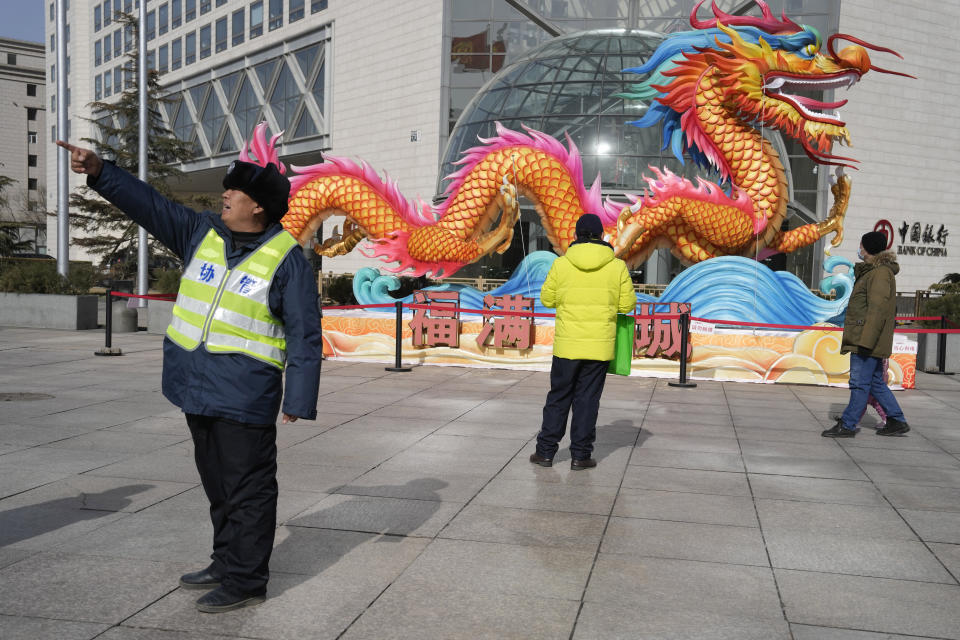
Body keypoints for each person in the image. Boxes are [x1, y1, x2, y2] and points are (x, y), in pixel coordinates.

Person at [57, 139, 324, 612]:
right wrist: (100, 171)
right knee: (217, 485)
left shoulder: (287, 260)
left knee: (248, 491)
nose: (225, 197)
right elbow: (151, 206)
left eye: (235, 192)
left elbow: (304, 334)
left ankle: (246, 581)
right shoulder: (202, 233)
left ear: (258, 207)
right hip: (195, 386)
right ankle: (225, 562)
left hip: (244, 395)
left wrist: (297, 400)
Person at [530, 213, 636, 469]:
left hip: (567, 346)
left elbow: (547, 299)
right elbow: (627, 304)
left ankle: (545, 452)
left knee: (558, 397)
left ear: (576, 236)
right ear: (601, 236)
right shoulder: (617, 266)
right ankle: (580, 455)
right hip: (599, 348)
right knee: (587, 400)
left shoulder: (561, 264)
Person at [822, 230, 909, 438]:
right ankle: (896, 420)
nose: (859, 249)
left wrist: (866, 341)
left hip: (866, 339)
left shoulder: (879, 273)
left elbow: (877, 310)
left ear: (869, 249)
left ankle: (848, 424)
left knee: (860, 383)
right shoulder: (873, 271)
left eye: (861, 246)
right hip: (867, 338)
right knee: (876, 382)